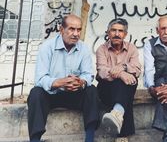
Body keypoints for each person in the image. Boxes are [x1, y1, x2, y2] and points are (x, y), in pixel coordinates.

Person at [27, 14, 99, 142]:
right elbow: (40, 79)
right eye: (71, 29)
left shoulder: (84, 49)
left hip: (74, 94)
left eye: (79, 30)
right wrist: (59, 82)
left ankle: (89, 138)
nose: (76, 34)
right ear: (61, 30)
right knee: (35, 93)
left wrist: (80, 82)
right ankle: (35, 139)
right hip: (52, 95)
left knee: (91, 90)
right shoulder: (47, 47)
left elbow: (88, 75)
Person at [96, 18, 141, 137]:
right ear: (108, 32)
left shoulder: (132, 48)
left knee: (131, 80)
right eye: (113, 30)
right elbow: (101, 71)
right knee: (125, 87)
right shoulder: (101, 49)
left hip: (124, 89)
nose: (117, 34)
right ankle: (123, 134)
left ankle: (117, 113)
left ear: (125, 34)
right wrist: (121, 74)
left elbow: (137, 70)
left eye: (120, 31)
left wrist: (123, 67)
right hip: (106, 91)